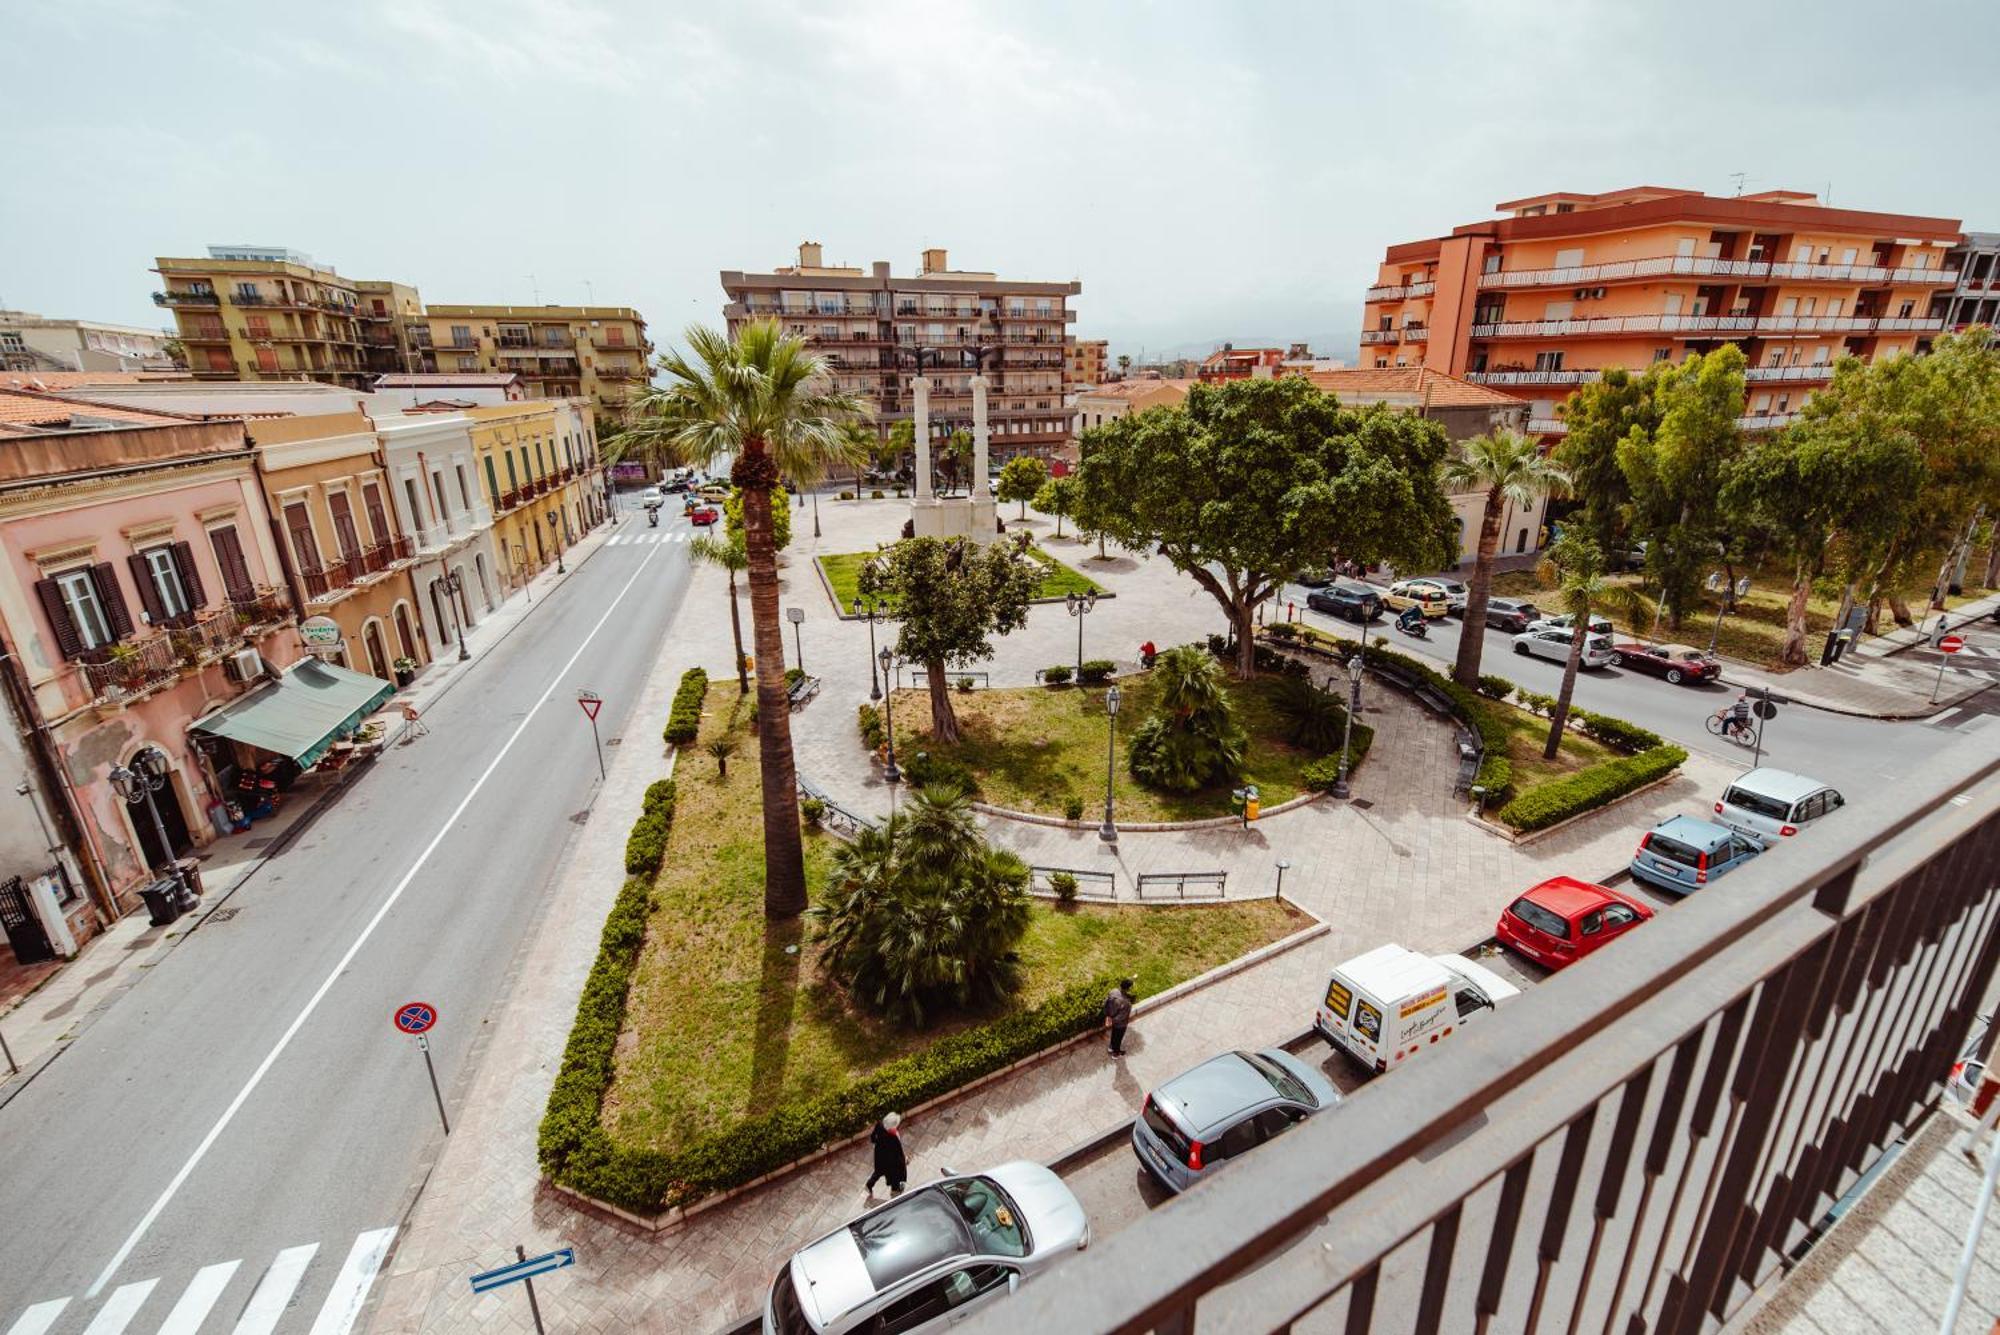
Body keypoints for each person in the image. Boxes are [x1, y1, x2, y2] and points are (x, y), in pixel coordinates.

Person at [866, 1112, 907, 1196]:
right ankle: (895, 1190)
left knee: (879, 1171)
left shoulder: (879, 1125)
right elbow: (898, 1152)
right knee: (894, 1173)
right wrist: (904, 1160)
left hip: (879, 1154)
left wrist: (877, 1142)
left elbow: (873, 1138)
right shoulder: (893, 1137)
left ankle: (869, 1185)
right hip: (890, 1159)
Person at [1103, 977, 1135, 1057]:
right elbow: (1122, 1017)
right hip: (1120, 1024)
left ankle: (1111, 1047)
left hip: (1111, 1018)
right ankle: (1116, 1053)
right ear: (1128, 989)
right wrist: (1112, 1021)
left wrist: (1108, 1016)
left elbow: (1106, 1003)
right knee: (1118, 1038)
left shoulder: (1113, 991)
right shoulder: (1126, 1003)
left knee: (1114, 1034)